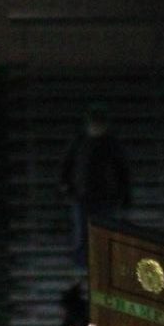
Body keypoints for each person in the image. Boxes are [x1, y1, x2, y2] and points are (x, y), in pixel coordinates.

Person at [60, 107, 131, 267]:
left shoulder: (110, 144)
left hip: (104, 196)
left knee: (103, 229)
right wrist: (67, 187)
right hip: (84, 195)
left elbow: (122, 170)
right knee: (84, 233)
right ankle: (86, 262)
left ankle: (101, 261)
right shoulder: (80, 142)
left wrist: (124, 193)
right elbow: (67, 165)